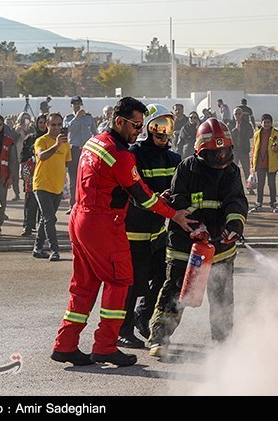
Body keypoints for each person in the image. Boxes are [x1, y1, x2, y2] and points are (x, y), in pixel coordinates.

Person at [50, 97, 195, 368]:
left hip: (80, 220)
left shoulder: (94, 142)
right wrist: (174, 214)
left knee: (83, 286)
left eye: (142, 125)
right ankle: (105, 346)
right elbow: (143, 197)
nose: (139, 131)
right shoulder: (120, 154)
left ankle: (65, 345)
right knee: (120, 282)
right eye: (136, 125)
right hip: (103, 224)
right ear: (119, 122)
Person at [148, 118, 248, 359]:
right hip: (185, 246)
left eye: (226, 151)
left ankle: (222, 345)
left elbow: (236, 201)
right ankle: (160, 340)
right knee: (174, 292)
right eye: (216, 153)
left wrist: (234, 226)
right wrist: (196, 227)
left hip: (221, 248)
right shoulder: (186, 168)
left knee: (223, 298)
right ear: (202, 151)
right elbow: (178, 199)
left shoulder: (231, 171)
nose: (222, 158)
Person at [119, 104, 182, 349]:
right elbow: (137, 192)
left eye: (168, 127)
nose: (163, 133)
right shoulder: (134, 154)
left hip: (158, 233)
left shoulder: (173, 158)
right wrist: (160, 197)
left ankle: (142, 318)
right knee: (132, 285)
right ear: (147, 128)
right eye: (158, 126)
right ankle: (123, 331)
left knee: (161, 279)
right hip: (134, 231)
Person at [31, 113, 71, 261]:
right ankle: (55, 249)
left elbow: (66, 163)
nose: (56, 128)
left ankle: (38, 247)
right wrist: (56, 145)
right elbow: (42, 156)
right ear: (47, 125)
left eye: (59, 125)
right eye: (53, 125)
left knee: (45, 219)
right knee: (50, 218)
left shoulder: (65, 143)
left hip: (58, 186)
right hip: (42, 184)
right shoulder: (41, 141)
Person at [63, 96, 97, 213]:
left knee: (88, 178)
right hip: (74, 150)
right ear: (71, 105)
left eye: (79, 103)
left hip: (87, 150)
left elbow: (95, 132)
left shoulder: (88, 117)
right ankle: (72, 205)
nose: (77, 106)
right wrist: (76, 118)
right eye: (75, 104)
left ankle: (86, 202)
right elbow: (67, 130)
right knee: (73, 179)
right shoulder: (68, 118)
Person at [19, 115, 48, 239]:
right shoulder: (29, 139)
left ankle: (44, 227)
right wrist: (22, 170)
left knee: (45, 201)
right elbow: (23, 156)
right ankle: (28, 226)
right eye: (40, 122)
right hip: (31, 173)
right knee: (30, 201)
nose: (42, 125)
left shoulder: (51, 139)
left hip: (46, 173)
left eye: (44, 122)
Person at [249, 113, 278, 213]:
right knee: (260, 185)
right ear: (261, 123)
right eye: (265, 122)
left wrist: (276, 148)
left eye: (268, 122)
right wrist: (252, 163)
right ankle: (259, 203)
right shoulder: (257, 134)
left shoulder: (276, 134)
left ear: (271, 123)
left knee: (271, 184)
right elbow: (254, 149)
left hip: (271, 163)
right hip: (260, 164)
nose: (266, 124)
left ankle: (273, 204)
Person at [230, 107, 254, 195]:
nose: (237, 116)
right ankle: (232, 188)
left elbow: (250, 134)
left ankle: (249, 188)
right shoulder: (230, 123)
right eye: (236, 114)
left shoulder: (247, 124)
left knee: (247, 170)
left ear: (242, 114)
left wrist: (242, 131)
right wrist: (235, 130)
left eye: (239, 114)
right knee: (233, 171)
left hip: (244, 150)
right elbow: (228, 135)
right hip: (234, 151)